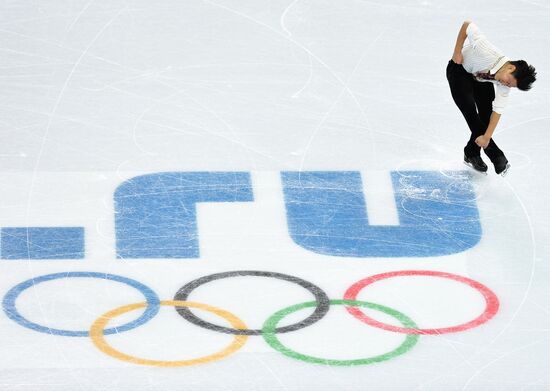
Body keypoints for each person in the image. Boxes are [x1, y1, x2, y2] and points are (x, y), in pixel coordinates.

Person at [446, 21, 536, 176]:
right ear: (510, 68)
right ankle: (497, 156)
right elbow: (467, 25)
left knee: (486, 116)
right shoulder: (485, 50)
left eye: (510, 85)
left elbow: (497, 111)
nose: (505, 84)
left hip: (481, 78)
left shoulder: (504, 82)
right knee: (471, 114)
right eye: (508, 81)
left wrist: (486, 137)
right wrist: (457, 51)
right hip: (459, 71)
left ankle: (471, 152)